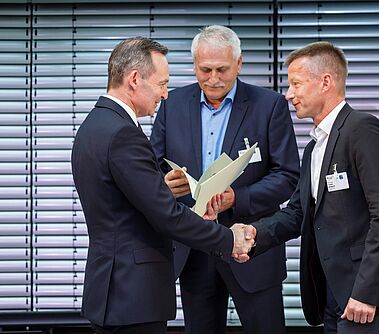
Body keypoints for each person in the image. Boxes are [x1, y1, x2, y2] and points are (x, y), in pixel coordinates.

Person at [71, 37, 254, 334]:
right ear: (133, 79)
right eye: (161, 84)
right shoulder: (123, 134)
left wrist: (169, 197)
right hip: (133, 294)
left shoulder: (93, 126)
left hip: (111, 289)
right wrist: (228, 239)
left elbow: (123, 205)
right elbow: (166, 216)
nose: (166, 95)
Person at [245, 41, 379, 334]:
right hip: (333, 293)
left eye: (296, 84)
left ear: (326, 82)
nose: (289, 94)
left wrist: (366, 292)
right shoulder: (314, 147)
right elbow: (298, 214)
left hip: (366, 296)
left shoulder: (362, 129)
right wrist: (252, 234)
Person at [150, 25, 300, 334]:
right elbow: (153, 167)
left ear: (239, 64)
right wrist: (166, 183)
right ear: (194, 65)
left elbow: (287, 175)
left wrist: (237, 197)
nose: (213, 78)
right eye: (205, 70)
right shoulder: (171, 105)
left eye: (222, 69)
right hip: (194, 247)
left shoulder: (269, 106)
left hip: (252, 246)